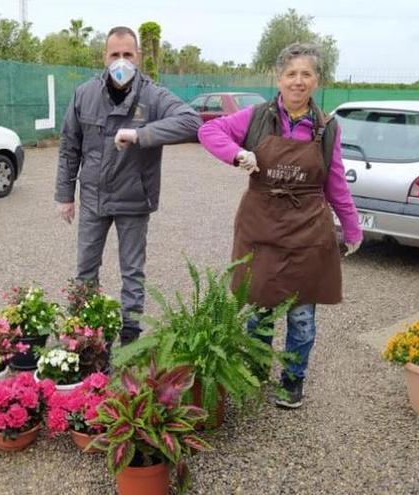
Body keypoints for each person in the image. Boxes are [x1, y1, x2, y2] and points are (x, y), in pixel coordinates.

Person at [197, 43, 362, 409]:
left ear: (317, 80)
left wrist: (351, 229)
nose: (298, 82)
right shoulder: (255, 117)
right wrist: (237, 154)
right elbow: (208, 133)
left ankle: (292, 379)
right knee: (260, 309)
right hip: (262, 229)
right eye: (291, 74)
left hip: (308, 231)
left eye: (306, 74)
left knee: (302, 316)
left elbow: (335, 183)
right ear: (279, 78)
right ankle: (255, 373)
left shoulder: (327, 128)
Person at [55, 26, 202, 345]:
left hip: (134, 199)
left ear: (138, 57)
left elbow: (191, 121)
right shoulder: (85, 94)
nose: (121, 61)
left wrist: (140, 134)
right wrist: (66, 195)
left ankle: (130, 337)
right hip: (93, 198)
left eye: (127, 55)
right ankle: (83, 332)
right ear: (104, 57)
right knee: (85, 270)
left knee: (132, 273)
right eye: (114, 55)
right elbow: (70, 146)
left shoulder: (153, 94)